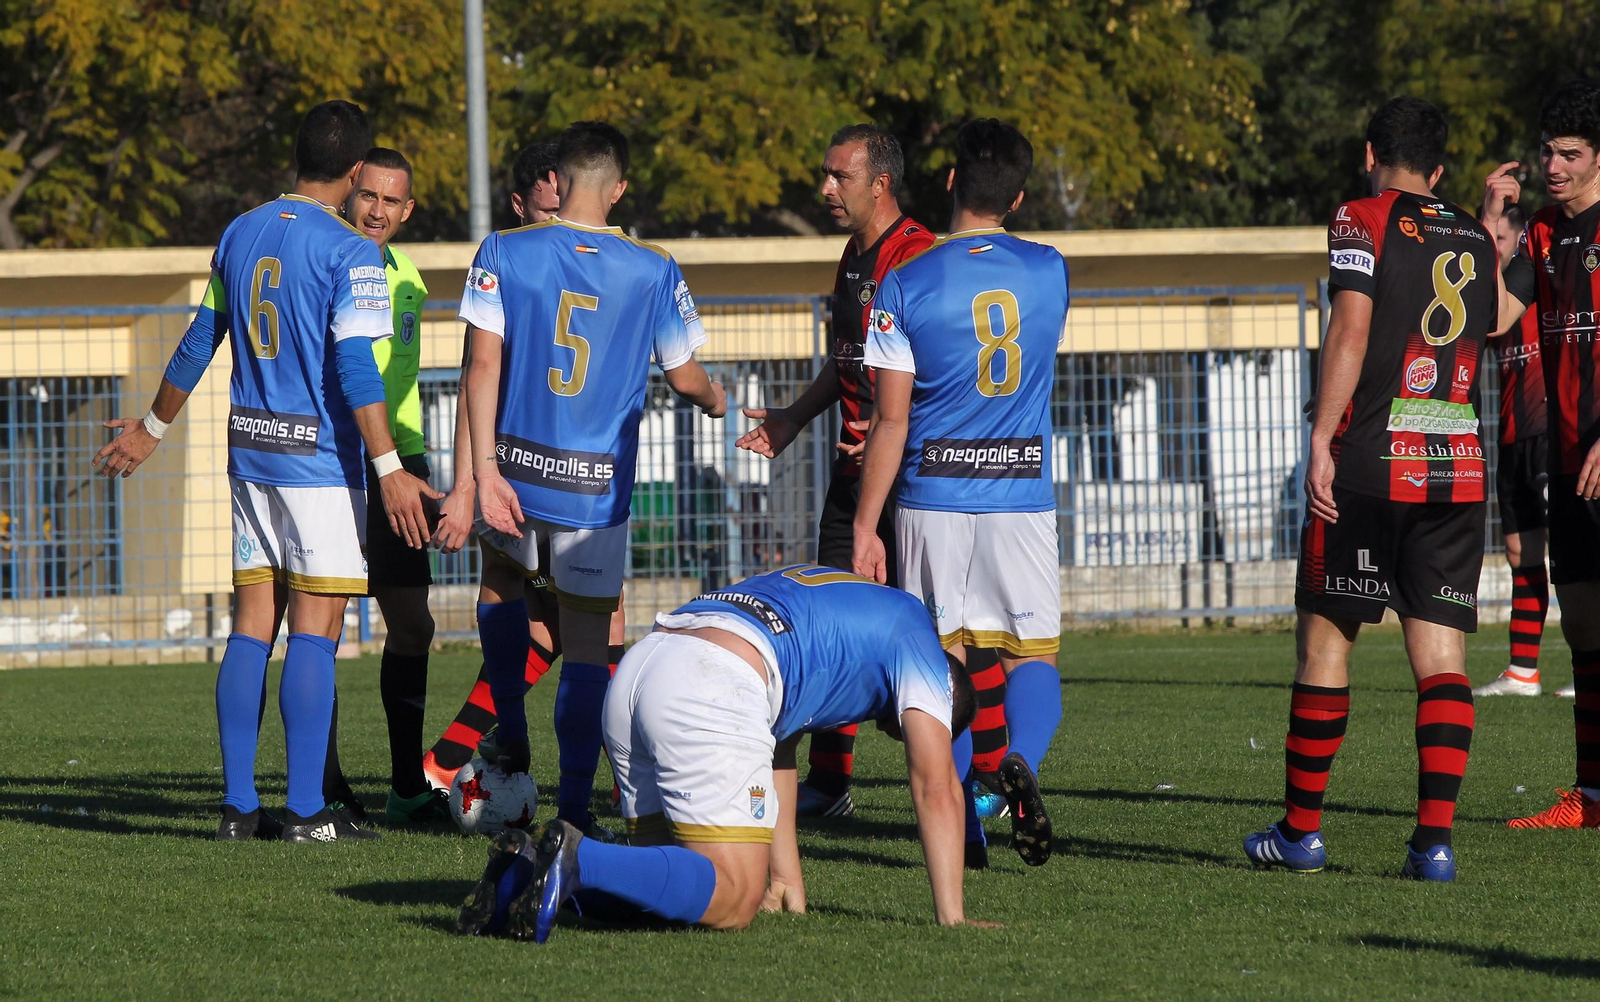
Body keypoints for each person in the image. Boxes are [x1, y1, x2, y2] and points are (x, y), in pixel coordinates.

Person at [93, 101, 439, 843]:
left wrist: (153, 429)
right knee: (316, 630)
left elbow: (199, 340)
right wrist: (389, 467)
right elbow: (355, 364)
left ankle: (238, 807)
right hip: (318, 462)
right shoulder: (354, 253)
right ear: (353, 174)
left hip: (249, 453)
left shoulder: (240, 230)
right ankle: (308, 812)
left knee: (252, 628)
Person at [456, 565, 1041, 941]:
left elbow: (777, 745)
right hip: (711, 682)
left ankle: (527, 873)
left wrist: (785, 880)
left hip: (648, 664)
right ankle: (579, 859)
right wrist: (953, 916)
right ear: (940, 693)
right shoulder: (921, 641)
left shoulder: (850, 605)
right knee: (733, 898)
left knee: (675, 899)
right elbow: (934, 784)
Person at [1242, 97, 1497, 880]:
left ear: (1369, 154)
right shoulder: (1475, 237)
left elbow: (1351, 328)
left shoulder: (1361, 216)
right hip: (1455, 464)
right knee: (1442, 658)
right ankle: (1434, 845)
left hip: (1371, 461)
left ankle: (1301, 834)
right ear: (1441, 168)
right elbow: (1489, 328)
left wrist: (1321, 434)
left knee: (1325, 647)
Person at [461, 121, 725, 838]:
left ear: (563, 178)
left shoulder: (502, 250)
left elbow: (480, 366)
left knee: (501, 588)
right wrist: (717, 397)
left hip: (512, 469)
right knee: (585, 643)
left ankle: (510, 731)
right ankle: (574, 812)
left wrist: (481, 471)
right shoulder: (653, 266)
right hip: (594, 487)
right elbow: (685, 373)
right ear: (619, 187)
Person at [852, 118, 1069, 865]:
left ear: (948, 182)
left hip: (931, 497)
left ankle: (965, 822)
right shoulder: (1050, 269)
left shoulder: (905, 280)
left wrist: (864, 525)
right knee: (1031, 658)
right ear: (1016, 195)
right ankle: (1018, 772)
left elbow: (889, 419)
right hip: (1020, 494)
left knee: (940, 667)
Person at [736, 124, 958, 819]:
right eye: (827, 174)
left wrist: (899, 438)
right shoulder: (855, 256)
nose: (826, 188)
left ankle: (972, 784)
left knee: (936, 629)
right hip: (852, 472)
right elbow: (848, 361)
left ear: (880, 183)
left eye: (840, 176)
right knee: (829, 620)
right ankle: (830, 785)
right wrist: (793, 419)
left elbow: (941, 369)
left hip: (907, 479)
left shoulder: (917, 256)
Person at [422, 139, 628, 793]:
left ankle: (456, 758)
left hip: (581, 482)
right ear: (522, 205)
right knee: (567, 623)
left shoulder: (604, 268)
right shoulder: (509, 266)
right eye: (548, 212)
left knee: (560, 631)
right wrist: (467, 483)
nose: (562, 228)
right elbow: (474, 377)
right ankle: (625, 788)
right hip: (513, 475)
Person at [310, 147, 454, 827]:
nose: (378, 211)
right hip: (336, 460)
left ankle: (405, 786)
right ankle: (326, 782)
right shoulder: (329, 258)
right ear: (348, 192)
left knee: (413, 622)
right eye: (368, 195)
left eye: (392, 201)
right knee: (323, 624)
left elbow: (399, 382)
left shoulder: (408, 275)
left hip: (403, 461)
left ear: (408, 210)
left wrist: (409, 462)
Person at [1486, 79, 1600, 828]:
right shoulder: (1544, 236)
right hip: (1567, 458)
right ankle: (1590, 799)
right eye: (1546, 153)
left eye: (1569, 154)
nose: (1552, 167)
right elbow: (1496, 318)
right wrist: (1488, 229)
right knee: (1586, 628)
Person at [1473, 203, 1563, 699]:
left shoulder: (1538, 288)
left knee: (1574, 550)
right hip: (1511, 437)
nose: (1495, 252)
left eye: (1502, 243)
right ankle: (1523, 670)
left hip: (1550, 430)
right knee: (1519, 552)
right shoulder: (1494, 304)